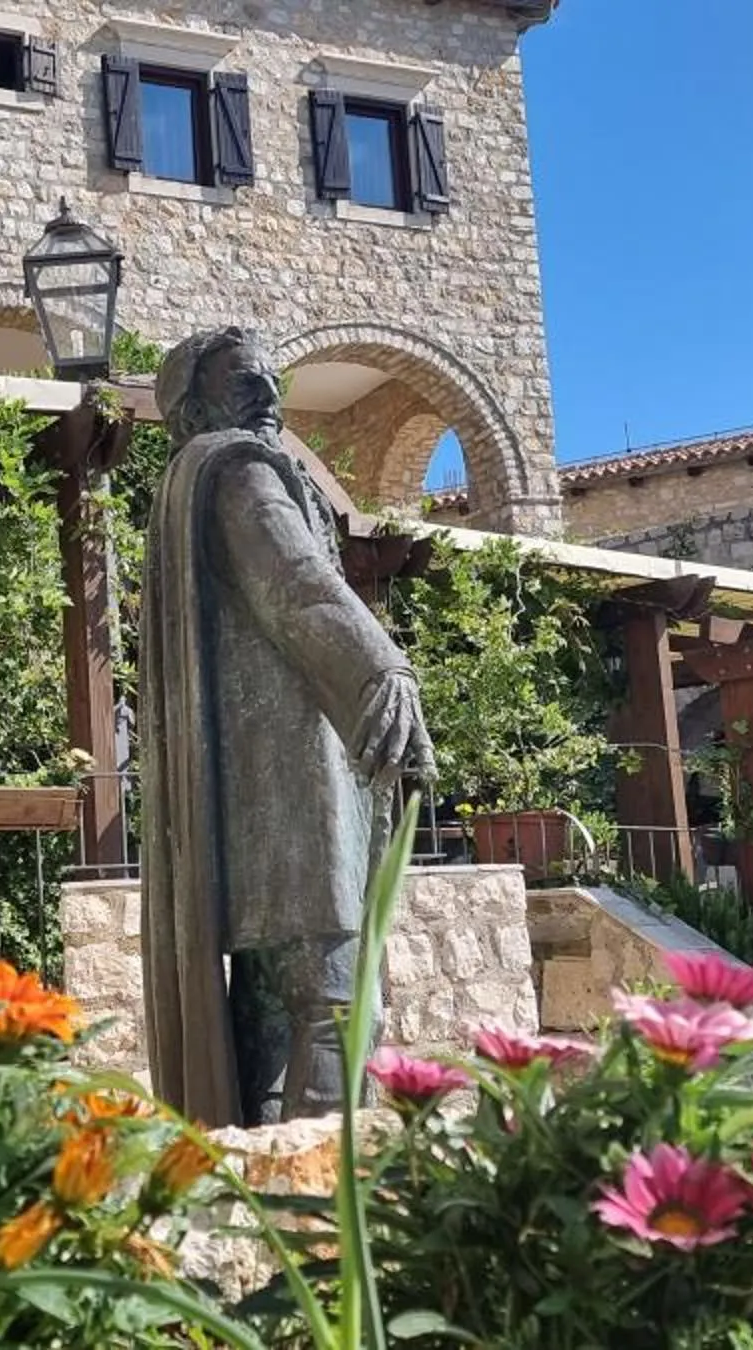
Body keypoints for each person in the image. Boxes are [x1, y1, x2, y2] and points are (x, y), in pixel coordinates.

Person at [138, 327, 435, 1126]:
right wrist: (382, 672)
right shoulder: (238, 470)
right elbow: (297, 585)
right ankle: (316, 1205)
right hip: (292, 783)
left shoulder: (194, 482)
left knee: (267, 1021)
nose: (267, 395)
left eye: (269, 378)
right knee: (336, 1004)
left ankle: (256, 1200)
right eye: (242, 383)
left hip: (251, 787)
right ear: (194, 408)